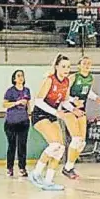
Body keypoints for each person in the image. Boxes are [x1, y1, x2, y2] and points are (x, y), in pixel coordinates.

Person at [28, 54, 79, 191]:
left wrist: (74, 109)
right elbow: (38, 100)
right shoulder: (50, 80)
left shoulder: (67, 82)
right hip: (40, 114)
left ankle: (48, 181)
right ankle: (36, 173)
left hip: (53, 115)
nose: (66, 69)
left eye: (68, 67)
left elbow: (64, 101)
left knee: (61, 148)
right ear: (56, 67)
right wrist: (57, 112)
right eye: (63, 66)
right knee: (55, 144)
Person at [61, 57, 100, 179]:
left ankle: (69, 167)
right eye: (84, 63)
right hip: (68, 108)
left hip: (81, 110)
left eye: (89, 63)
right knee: (76, 139)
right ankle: (68, 167)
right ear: (79, 66)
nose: (87, 65)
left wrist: (96, 98)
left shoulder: (90, 78)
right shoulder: (73, 77)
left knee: (82, 143)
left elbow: (86, 91)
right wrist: (73, 102)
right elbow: (64, 94)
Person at [2, 69, 31, 177]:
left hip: (23, 122)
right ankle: (9, 168)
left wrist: (29, 116)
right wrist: (16, 102)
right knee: (12, 145)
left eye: (22, 75)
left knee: (22, 145)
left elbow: (28, 104)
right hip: (11, 122)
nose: (20, 77)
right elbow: (4, 104)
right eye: (18, 76)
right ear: (14, 79)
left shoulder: (27, 90)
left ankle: (22, 168)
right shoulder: (10, 91)